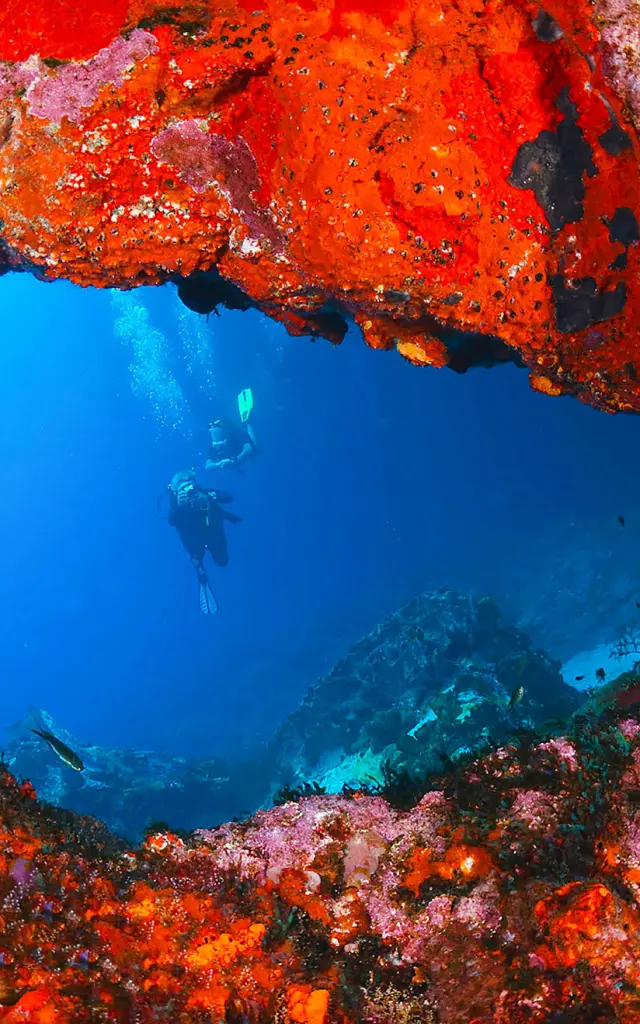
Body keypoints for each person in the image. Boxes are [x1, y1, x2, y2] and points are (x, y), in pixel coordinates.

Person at [167, 470, 242, 615]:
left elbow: (228, 497)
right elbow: (171, 521)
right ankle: (199, 569)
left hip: (212, 533)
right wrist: (178, 506)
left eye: (190, 486)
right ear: (176, 493)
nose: (188, 491)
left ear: (195, 485)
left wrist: (206, 498)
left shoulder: (204, 494)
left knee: (222, 561)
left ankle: (198, 563)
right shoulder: (177, 506)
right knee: (197, 553)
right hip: (194, 541)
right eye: (183, 489)